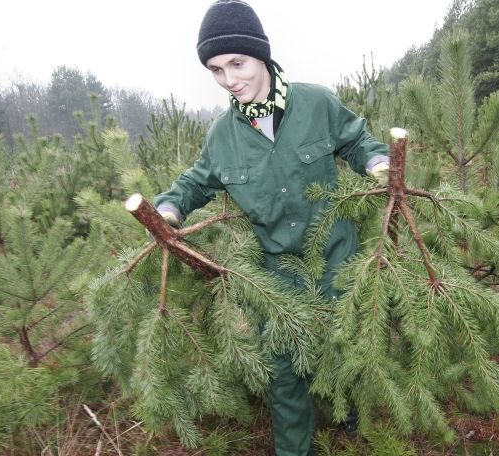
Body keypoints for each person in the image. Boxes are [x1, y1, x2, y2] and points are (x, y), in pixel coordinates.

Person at [154, 1, 390, 454]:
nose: (230, 80)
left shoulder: (316, 102)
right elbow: (194, 182)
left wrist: (380, 164)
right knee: (284, 371)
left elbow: (358, 139)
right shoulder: (222, 134)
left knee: (345, 347)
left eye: (237, 63)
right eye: (216, 70)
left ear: (261, 53)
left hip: (336, 256)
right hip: (276, 273)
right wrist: (168, 210)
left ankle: (355, 420)